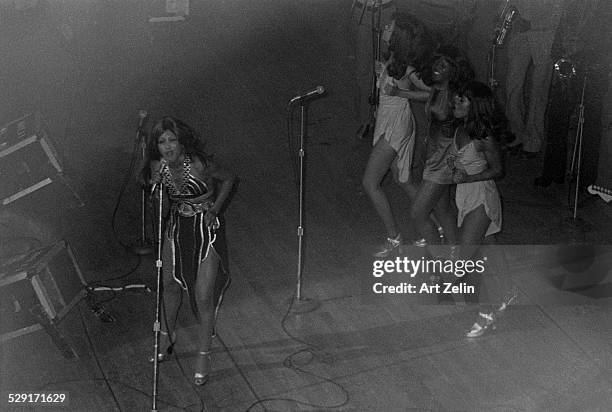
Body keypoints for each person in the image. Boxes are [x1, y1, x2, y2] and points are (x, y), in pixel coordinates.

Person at [142, 116, 236, 385]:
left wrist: (215, 209)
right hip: (177, 229)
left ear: (182, 141)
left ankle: (204, 353)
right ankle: (166, 337)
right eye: (162, 141)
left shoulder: (199, 164)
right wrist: (156, 187)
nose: (168, 146)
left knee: (203, 295)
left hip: (206, 231)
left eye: (172, 140)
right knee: (169, 286)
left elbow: (229, 179)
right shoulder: (157, 167)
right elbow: (158, 210)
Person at [361, 12, 432, 257]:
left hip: (396, 124)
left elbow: (432, 93)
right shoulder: (393, 60)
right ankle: (432, 227)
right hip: (388, 120)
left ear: (398, 34)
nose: (385, 27)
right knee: (403, 180)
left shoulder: (408, 69)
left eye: (390, 26)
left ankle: (394, 237)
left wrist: (401, 94)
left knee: (370, 183)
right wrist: (382, 72)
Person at [449, 81, 514, 337]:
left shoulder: (484, 137)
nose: (455, 103)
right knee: (490, 247)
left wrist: (467, 178)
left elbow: (498, 170)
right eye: (456, 99)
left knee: (465, 259)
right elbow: (459, 158)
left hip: (481, 198)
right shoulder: (461, 128)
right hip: (465, 196)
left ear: (475, 106)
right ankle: (507, 293)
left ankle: (486, 314)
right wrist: (454, 167)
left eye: (462, 100)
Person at [410, 46, 474, 251]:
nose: (437, 67)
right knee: (443, 209)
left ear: (454, 70)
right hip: (432, 154)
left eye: (443, 65)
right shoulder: (438, 88)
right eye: (436, 62)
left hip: (444, 160)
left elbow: (469, 126)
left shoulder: (457, 96)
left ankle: (441, 263)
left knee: (418, 213)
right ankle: (456, 260)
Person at [503, 0, 563, 155]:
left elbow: (558, 7)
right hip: (520, 32)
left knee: (539, 91)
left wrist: (533, 22)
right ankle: (517, 133)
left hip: (545, 34)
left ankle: (533, 141)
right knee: (512, 87)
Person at [349, 0, 396, 139]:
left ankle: (385, 119)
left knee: (386, 69)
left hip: (387, 12)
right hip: (364, 12)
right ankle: (366, 120)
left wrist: (394, 21)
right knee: (363, 71)